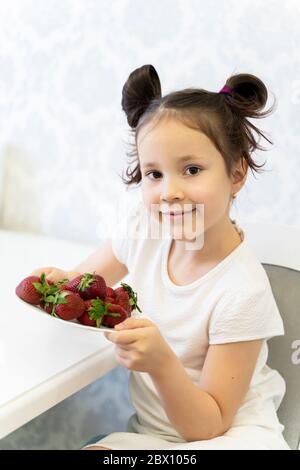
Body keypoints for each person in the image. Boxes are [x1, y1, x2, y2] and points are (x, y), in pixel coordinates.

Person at [32, 65, 290, 450]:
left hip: (230, 436)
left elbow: (210, 426)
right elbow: (82, 286)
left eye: (191, 169)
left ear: (236, 174)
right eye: (154, 174)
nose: (169, 191)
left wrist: (161, 363)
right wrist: (56, 284)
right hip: (157, 438)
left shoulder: (242, 291)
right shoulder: (144, 229)